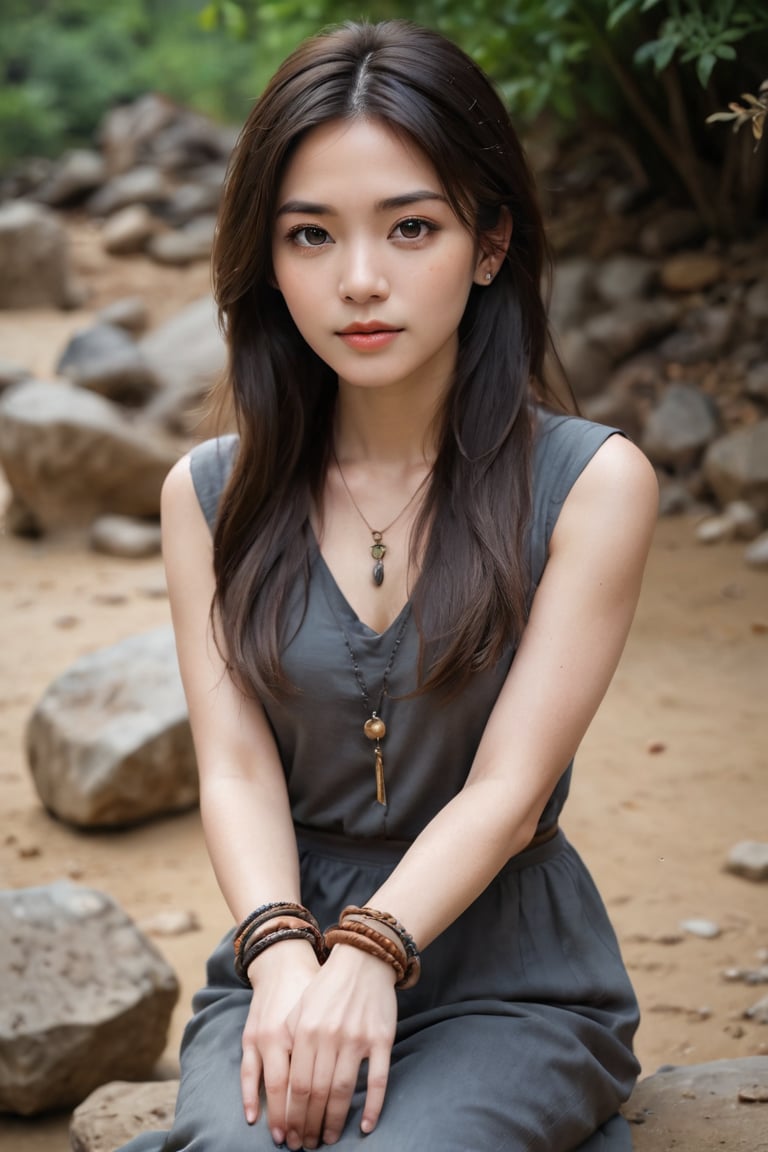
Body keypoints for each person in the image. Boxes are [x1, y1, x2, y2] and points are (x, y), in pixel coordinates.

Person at [121, 18, 658, 1152]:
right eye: (310, 235)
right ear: (266, 260)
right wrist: (281, 957)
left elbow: (510, 790)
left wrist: (370, 953)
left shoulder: (592, 484)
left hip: (509, 971)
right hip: (282, 953)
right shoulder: (209, 495)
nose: (359, 280)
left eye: (411, 227)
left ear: (491, 239)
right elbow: (232, 764)